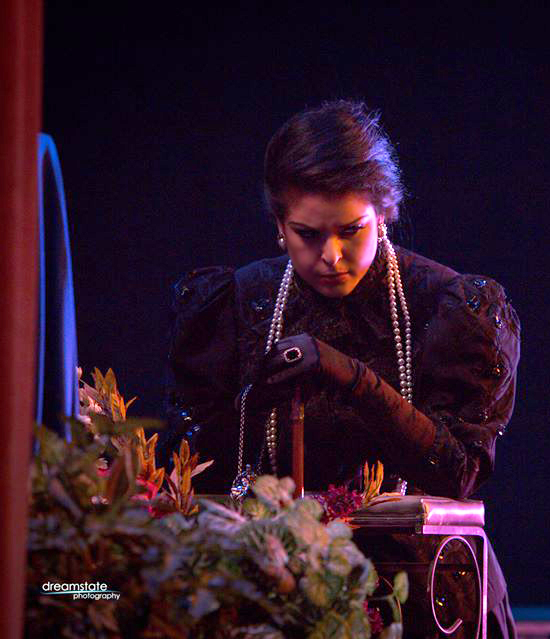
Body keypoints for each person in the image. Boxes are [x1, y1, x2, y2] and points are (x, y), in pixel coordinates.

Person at [162, 100, 520, 638]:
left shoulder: (448, 306)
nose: (331, 255)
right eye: (307, 234)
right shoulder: (237, 302)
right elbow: (193, 470)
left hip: (422, 591)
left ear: (385, 213)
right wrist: (256, 399)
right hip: (271, 589)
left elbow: (457, 473)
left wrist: (352, 379)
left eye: (351, 230)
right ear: (279, 225)